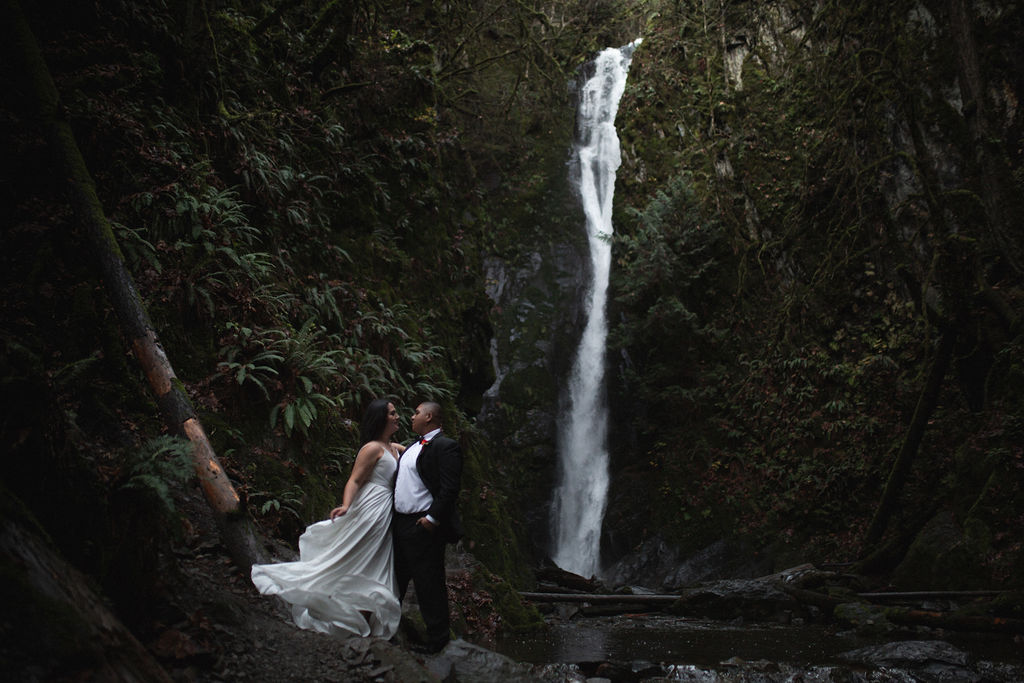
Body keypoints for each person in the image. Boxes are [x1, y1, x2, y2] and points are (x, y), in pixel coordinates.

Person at [250, 399, 404, 638]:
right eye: (392, 413)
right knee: (356, 552)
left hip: (386, 511)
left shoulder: (395, 448)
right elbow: (354, 480)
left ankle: (362, 608)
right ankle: (336, 600)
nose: (397, 417)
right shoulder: (372, 448)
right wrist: (346, 505)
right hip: (370, 507)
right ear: (381, 418)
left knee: (375, 557)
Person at [392, 401, 463, 654]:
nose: (412, 417)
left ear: (429, 416)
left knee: (429, 582)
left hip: (422, 524)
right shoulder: (412, 446)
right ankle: (388, 629)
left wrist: (432, 519)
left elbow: (449, 488)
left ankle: (437, 642)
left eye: (416, 412)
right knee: (395, 578)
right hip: (399, 522)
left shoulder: (446, 446)